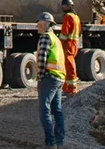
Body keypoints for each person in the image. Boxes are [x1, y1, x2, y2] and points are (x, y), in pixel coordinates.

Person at [35, 11, 66, 147]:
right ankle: (60, 141)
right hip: (59, 77)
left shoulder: (45, 37)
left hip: (50, 77)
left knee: (44, 110)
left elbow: (42, 58)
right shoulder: (55, 38)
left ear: (45, 23)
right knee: (57, 110)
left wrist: (40, 77)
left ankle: (50, 142)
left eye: (39, 23)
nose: (37, 25)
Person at [58, 0, 82, 94]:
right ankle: (66, 88)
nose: (62, 7)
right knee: (67, 65)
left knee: (68, 65)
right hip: (74, 43)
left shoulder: (68, 17)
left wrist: (59, 43)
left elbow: (64, 33)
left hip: (68, 44)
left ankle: (71, 88)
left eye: (64, 5)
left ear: (68, 6)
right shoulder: (76, 17)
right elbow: (79, 31)